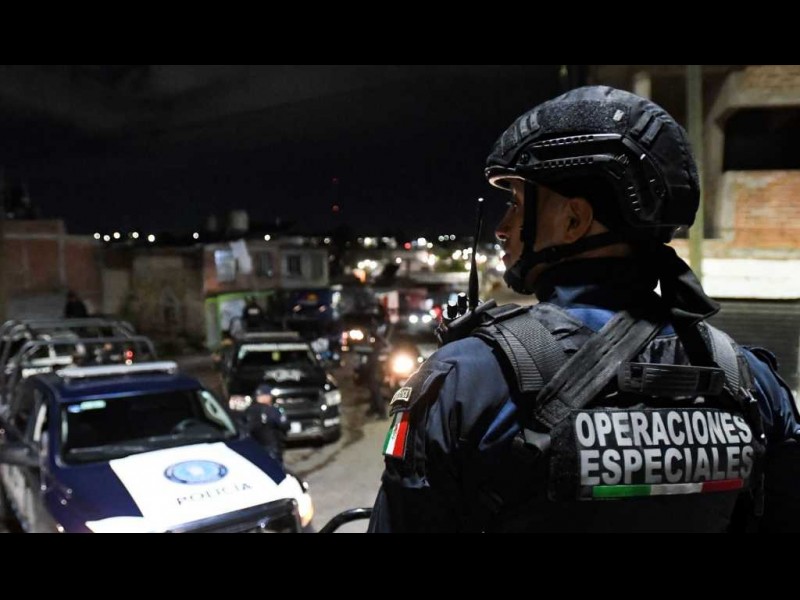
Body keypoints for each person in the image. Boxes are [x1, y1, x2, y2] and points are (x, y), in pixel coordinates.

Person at [368, 85, 800, 532]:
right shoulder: (748, 381)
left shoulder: (467, 380)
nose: (502, 228)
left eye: (517, 203)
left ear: (573, 220)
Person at [244, 383, 289, 463]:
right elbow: (285, 425)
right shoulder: (272, 410)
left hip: (252, 447)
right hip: (271, 447)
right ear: (267, 396)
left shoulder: (248, 410)